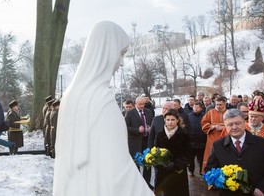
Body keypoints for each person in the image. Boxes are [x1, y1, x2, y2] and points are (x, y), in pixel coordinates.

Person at [53, 21, 153, 196]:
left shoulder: (71, 95)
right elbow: (119, 170)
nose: (121, 63)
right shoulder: (100, 98)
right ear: (106, 52)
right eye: (121, 53)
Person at [205, 109, 264, 196]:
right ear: (225, 126)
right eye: (230, 124)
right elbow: (209, 170)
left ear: (244, 122)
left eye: (238, 123)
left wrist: (262, 188)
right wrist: (221, 182)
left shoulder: (262, 143)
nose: (234, 127)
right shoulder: (218, 146)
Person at [154, 109, 190, 196]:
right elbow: (155, 152)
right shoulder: (160, 135)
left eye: (173, 120)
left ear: (177, 120)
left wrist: (176, 164)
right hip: (163, 172)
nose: (170, 122)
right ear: (165, 120)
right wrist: (159, 164)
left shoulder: (184, 135)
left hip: (178, 172)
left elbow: (188, 155)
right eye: (168, 120)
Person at [125, 96, 154, 187]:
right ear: (135, 104)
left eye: (143, 104)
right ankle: (136, 184)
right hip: (135, 142)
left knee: (148, 162)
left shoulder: (148, 112)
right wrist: (137, 130)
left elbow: (152, 123)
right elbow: (126, 127)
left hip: (146, 140)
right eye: (140, 104)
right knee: (136, 163)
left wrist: (150, 128)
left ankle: (146, 183)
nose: (142, 106)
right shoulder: (130, 113)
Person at [201, 96, 227, 173]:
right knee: (211, 156)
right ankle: (210, 174)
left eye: (220, 104)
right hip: (212, 139)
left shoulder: (229, 113)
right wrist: (213, 126)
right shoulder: (210, 112)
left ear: (224, 104)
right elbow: (203, 123)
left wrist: (223, 127)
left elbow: (233, 124)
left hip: (225, 139)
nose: (218, 106)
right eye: (217, 104)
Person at [187, 101, 206, 176]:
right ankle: (191, 171)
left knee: (201, 159)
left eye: (198, 107)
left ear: (201, 108)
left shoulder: (204, 116)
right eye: (195, 106)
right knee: (190, 159)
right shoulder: (188, 116)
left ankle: (201, 172)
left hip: (201, 142)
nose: (196, 108)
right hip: (191, 142)